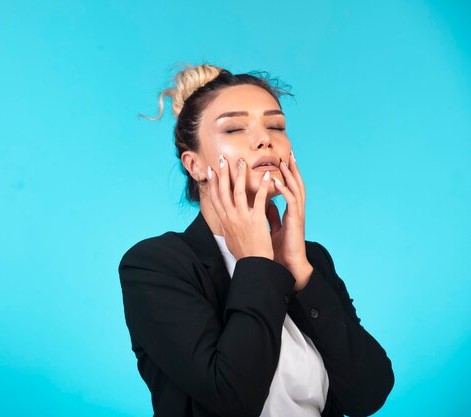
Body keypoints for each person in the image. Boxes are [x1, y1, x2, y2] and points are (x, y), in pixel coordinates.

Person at [118, 63, 394, 417]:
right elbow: (232, 399)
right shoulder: (156, 264)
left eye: (276, 125)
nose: (265, 139)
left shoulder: (313, 261)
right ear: (194, 165)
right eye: (233, 128)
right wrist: (257, 266)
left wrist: (300, 274)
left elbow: (368, 395)